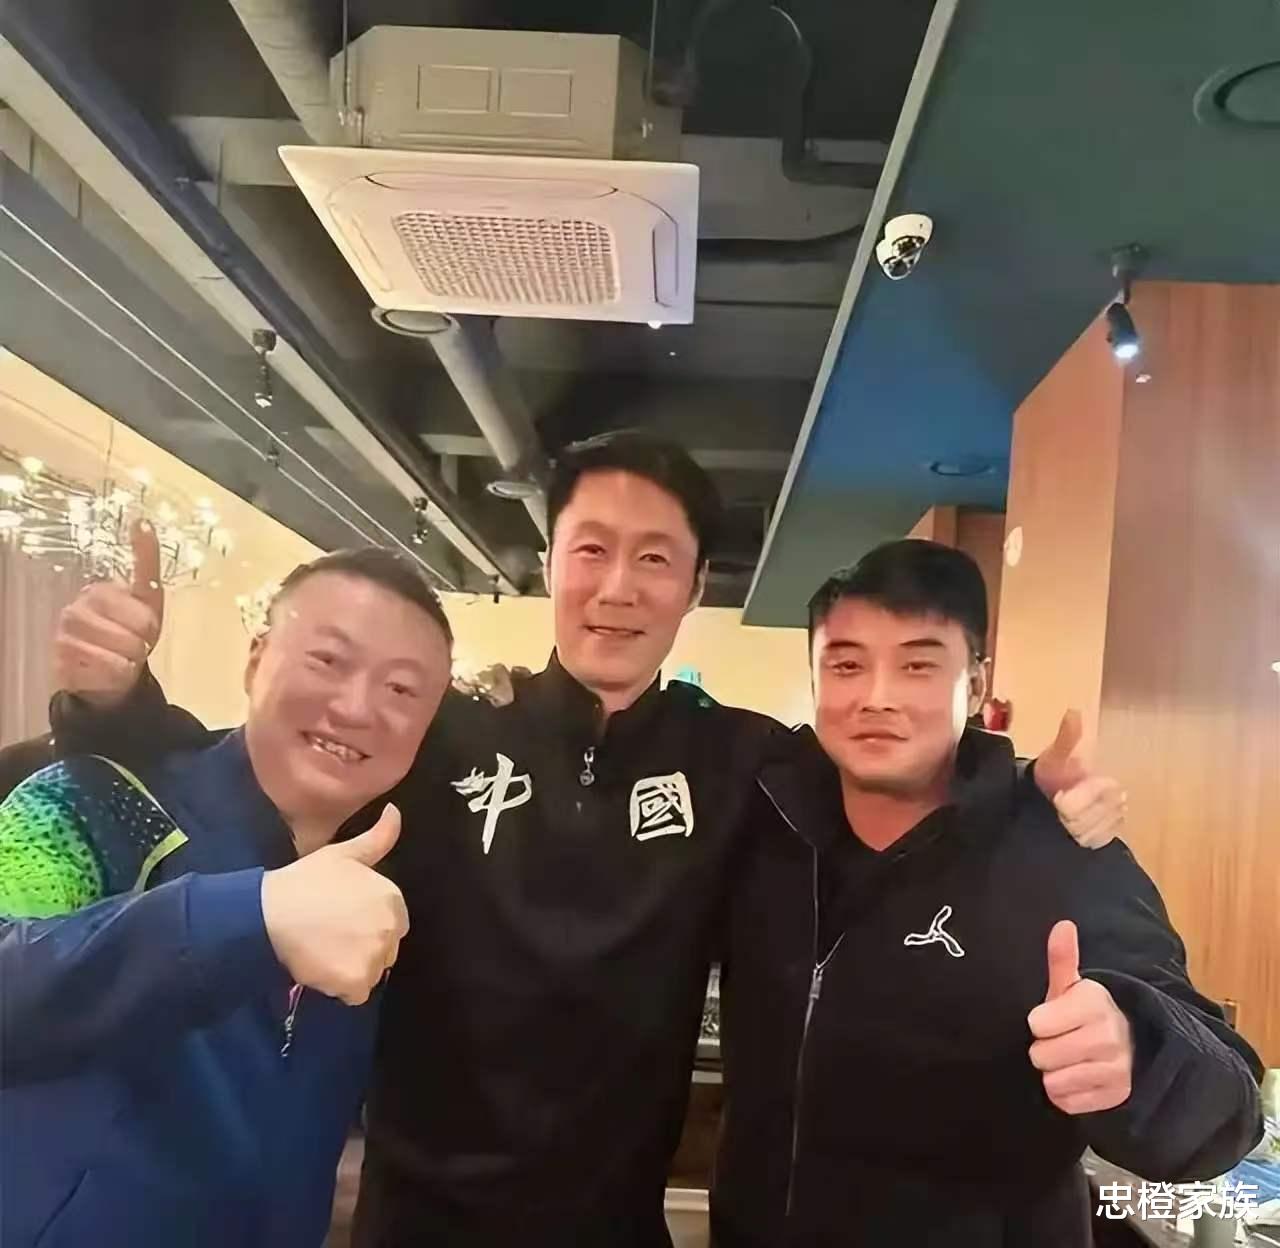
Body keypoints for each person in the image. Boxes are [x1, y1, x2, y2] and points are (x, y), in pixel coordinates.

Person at [41, 434, 1126, 1248]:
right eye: (590, 550)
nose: (617, 588)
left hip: (614, 1227)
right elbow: (269, 770)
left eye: (654, 559)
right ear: (548, 562)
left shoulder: (747, 763)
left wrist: (1021, 787)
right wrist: (117, 705)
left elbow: (893, 776)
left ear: (693, 587)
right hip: (415, 1224)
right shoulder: (443, 732)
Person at [711, 540, 1264, 1248]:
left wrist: (1137, 1049)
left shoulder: (1060, 853)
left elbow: (1229, 1104)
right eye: (846, 665)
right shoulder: (765, 823)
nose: (877, 695)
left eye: (918, 665)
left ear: (975, 686)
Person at [0, 538, 454, 1248]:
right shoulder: (103, 801)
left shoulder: (377, 897)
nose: (357, 707)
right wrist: (249, 918)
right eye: (328, 661)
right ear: (255, 659)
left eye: (402, 690)